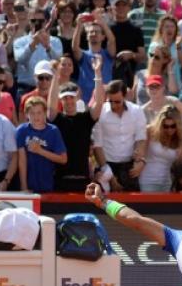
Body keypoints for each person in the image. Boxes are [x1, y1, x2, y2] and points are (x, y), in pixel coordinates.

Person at [48, 57, 105, 192]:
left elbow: (99, 102)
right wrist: (56, 76)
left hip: (82, 179)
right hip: (61, 180)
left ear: (77, 98)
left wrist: (97, 73)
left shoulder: (86, 118)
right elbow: (50, 105)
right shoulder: (57, 119)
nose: (68, 101)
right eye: (65, 98)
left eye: (71, 97)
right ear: (61, 101)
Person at [92, 80, 148, 192]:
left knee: (132, 206)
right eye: (110, 101)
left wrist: (140, 160)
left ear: (125, 96)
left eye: (117, 101)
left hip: (129, 167)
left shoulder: (137, 111)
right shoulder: (101, 112)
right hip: (106, 165)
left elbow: (141, 138)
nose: (113, 105)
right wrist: (108, 174)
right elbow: (97, 145)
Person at [16, 96, 67, 193]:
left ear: (45, 113)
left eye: (39, 113)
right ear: (26, 114)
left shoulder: (53, 130)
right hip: (29, 183)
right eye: (32, 113)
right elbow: (22, 160)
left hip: (49, 183)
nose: (36, 116)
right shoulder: (21, 130)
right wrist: (23, 186)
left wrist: (40, 151)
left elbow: (63, 159)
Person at [139, 106, 182, 192]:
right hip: (148, 180)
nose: (169, 129)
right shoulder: (150, 131)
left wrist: (180, 153)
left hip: (167, 182)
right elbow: (140, 154)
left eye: (173, 126)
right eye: (165, 126)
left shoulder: (181, 137)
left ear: (178, 125)